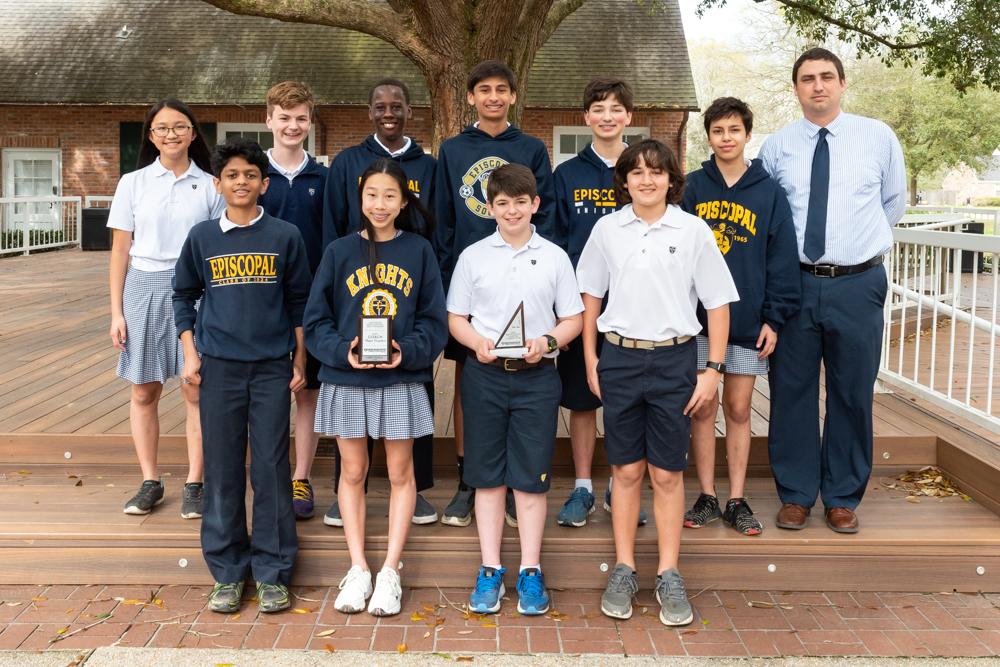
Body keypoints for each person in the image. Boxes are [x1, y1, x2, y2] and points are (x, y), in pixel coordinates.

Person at [576, 140, 738, 626]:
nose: (647, 180)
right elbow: (590, 296)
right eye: (637, 172)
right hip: (620, 359)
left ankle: (669, 572)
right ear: (623, 181)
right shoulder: (608, 229)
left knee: (666, 474)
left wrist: (713, 369)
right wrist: (590, 359)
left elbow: (718, 304)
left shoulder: (692, 231)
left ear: (672, 179)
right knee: (625, 472)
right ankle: (624, 567)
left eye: (657, 172)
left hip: (674, 363)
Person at [758, 48, 906, 534]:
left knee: (852, 390)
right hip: (795, 284)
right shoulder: (777, 147)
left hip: (858, 283)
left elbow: (892, 202)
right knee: (791, 390)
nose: (817, 85)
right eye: (807, 78)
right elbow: (770, 218)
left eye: (826, 77)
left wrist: (854, 250)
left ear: (842, 84)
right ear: (796, 88)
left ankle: (842, 495)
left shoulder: (877, 137)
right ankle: (797, 494)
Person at [172, 137, 312, 614]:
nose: (241, 182)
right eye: (231, 175)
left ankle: (273, 571)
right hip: (219, 368)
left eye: (250, 175)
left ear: (264, 183)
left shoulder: (285, 236)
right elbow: (182, 297)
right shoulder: (202, 238)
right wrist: (191, 354)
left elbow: (299, 303)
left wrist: (299, 358)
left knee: (272, 467)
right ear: (218, 184)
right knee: (224, 467)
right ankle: (229, 571)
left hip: (272, 366)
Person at [305, 158, 447, 617]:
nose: (380, 204)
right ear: (359, 198)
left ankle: (390, 571)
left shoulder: (419, 251)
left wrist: (405, 350)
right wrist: (339, 350)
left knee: (402, 473)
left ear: (404, 201)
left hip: (400, 378)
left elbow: (434, 322)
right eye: (371, 195)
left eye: (390, 196)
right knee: (352, 472)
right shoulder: (338, 251)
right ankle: (358, 567)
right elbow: (316, 320)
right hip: (348, 378)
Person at [447, 164, 582, 615]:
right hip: (485, 375)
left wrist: (547, 341)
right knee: (486, 479)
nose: (511, 210)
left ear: (535, 205)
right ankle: (490, 569)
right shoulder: (473, 257)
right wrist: (476, 343)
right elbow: (456, 319)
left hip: (537, 378)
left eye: (520, 202)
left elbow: (574, 319)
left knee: (530, 481)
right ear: (490, 207)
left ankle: (529, 570)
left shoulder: (555, 256)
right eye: (502, 203)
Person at [434, 60, 556, 528]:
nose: (492, 97)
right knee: (471, 377)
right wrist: (447, 282)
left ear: (511, 95)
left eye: (501, 90)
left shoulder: (530, 147)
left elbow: (543, 214)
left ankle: (513, 484)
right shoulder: (453, 148)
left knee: (522, 379)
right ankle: (472, 478)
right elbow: (445, 217)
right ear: (471, 98)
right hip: (471, 283)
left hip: (522, 278)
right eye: (483, 90)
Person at [321, 78, 439, 528]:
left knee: (410, 390)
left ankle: (414, 488)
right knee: (353, 399)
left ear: (410, 110)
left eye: (396, 105)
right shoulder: (348, 161)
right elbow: (333, 221)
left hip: (407, 287)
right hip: (355, 282)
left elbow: (436, 226)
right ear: (369, 111)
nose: (388, 112)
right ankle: (346, 490)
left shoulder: (426, 165)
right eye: (379, 105)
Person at [680, 97, 799, 536]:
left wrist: (775, 317)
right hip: (698, 322)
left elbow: (782, 259)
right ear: (707, 136)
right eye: (718, 131)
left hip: (748, 321)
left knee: (738, 406)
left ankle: (736, 498)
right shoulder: (692, 188)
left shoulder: (768, 192)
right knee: (702, 405)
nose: (726, 138)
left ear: (748, 135)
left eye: (734, 130)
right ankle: (708, 495)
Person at [107, 98, 224, 519]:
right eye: (162, 128)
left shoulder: (212, 185)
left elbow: (218, 246)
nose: (171, 134)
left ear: (193, 133)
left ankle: (196, 482)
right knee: (144, 389)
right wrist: (116, 311)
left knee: (195, 388)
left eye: (180, 126)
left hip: (196, 289)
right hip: (142, 287)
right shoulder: (132, 183)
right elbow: (121, 250)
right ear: (151, 136)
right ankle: (150, 481)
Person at [552, 76, 648, 529]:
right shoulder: (566, 175)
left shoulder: (643, 170)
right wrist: (561, 312)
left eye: (616, 109)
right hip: (582, 309)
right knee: (583, 399)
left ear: (629, 116)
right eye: (598, 108)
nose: (607, 116)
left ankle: (620, 485)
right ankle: (584, 486)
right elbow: (553, 244)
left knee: (626, 401)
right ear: (586, 117)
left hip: (635, 309)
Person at [259, 80, 328, 521]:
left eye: (301, 118)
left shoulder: (323, 176)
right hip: (259, 299)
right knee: (266, 392)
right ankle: (268, 477)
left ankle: (300, 476)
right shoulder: (252, 172)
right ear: (269, 120)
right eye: (284, 117)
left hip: (311, 299)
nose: (292, 125)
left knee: (308, 392)